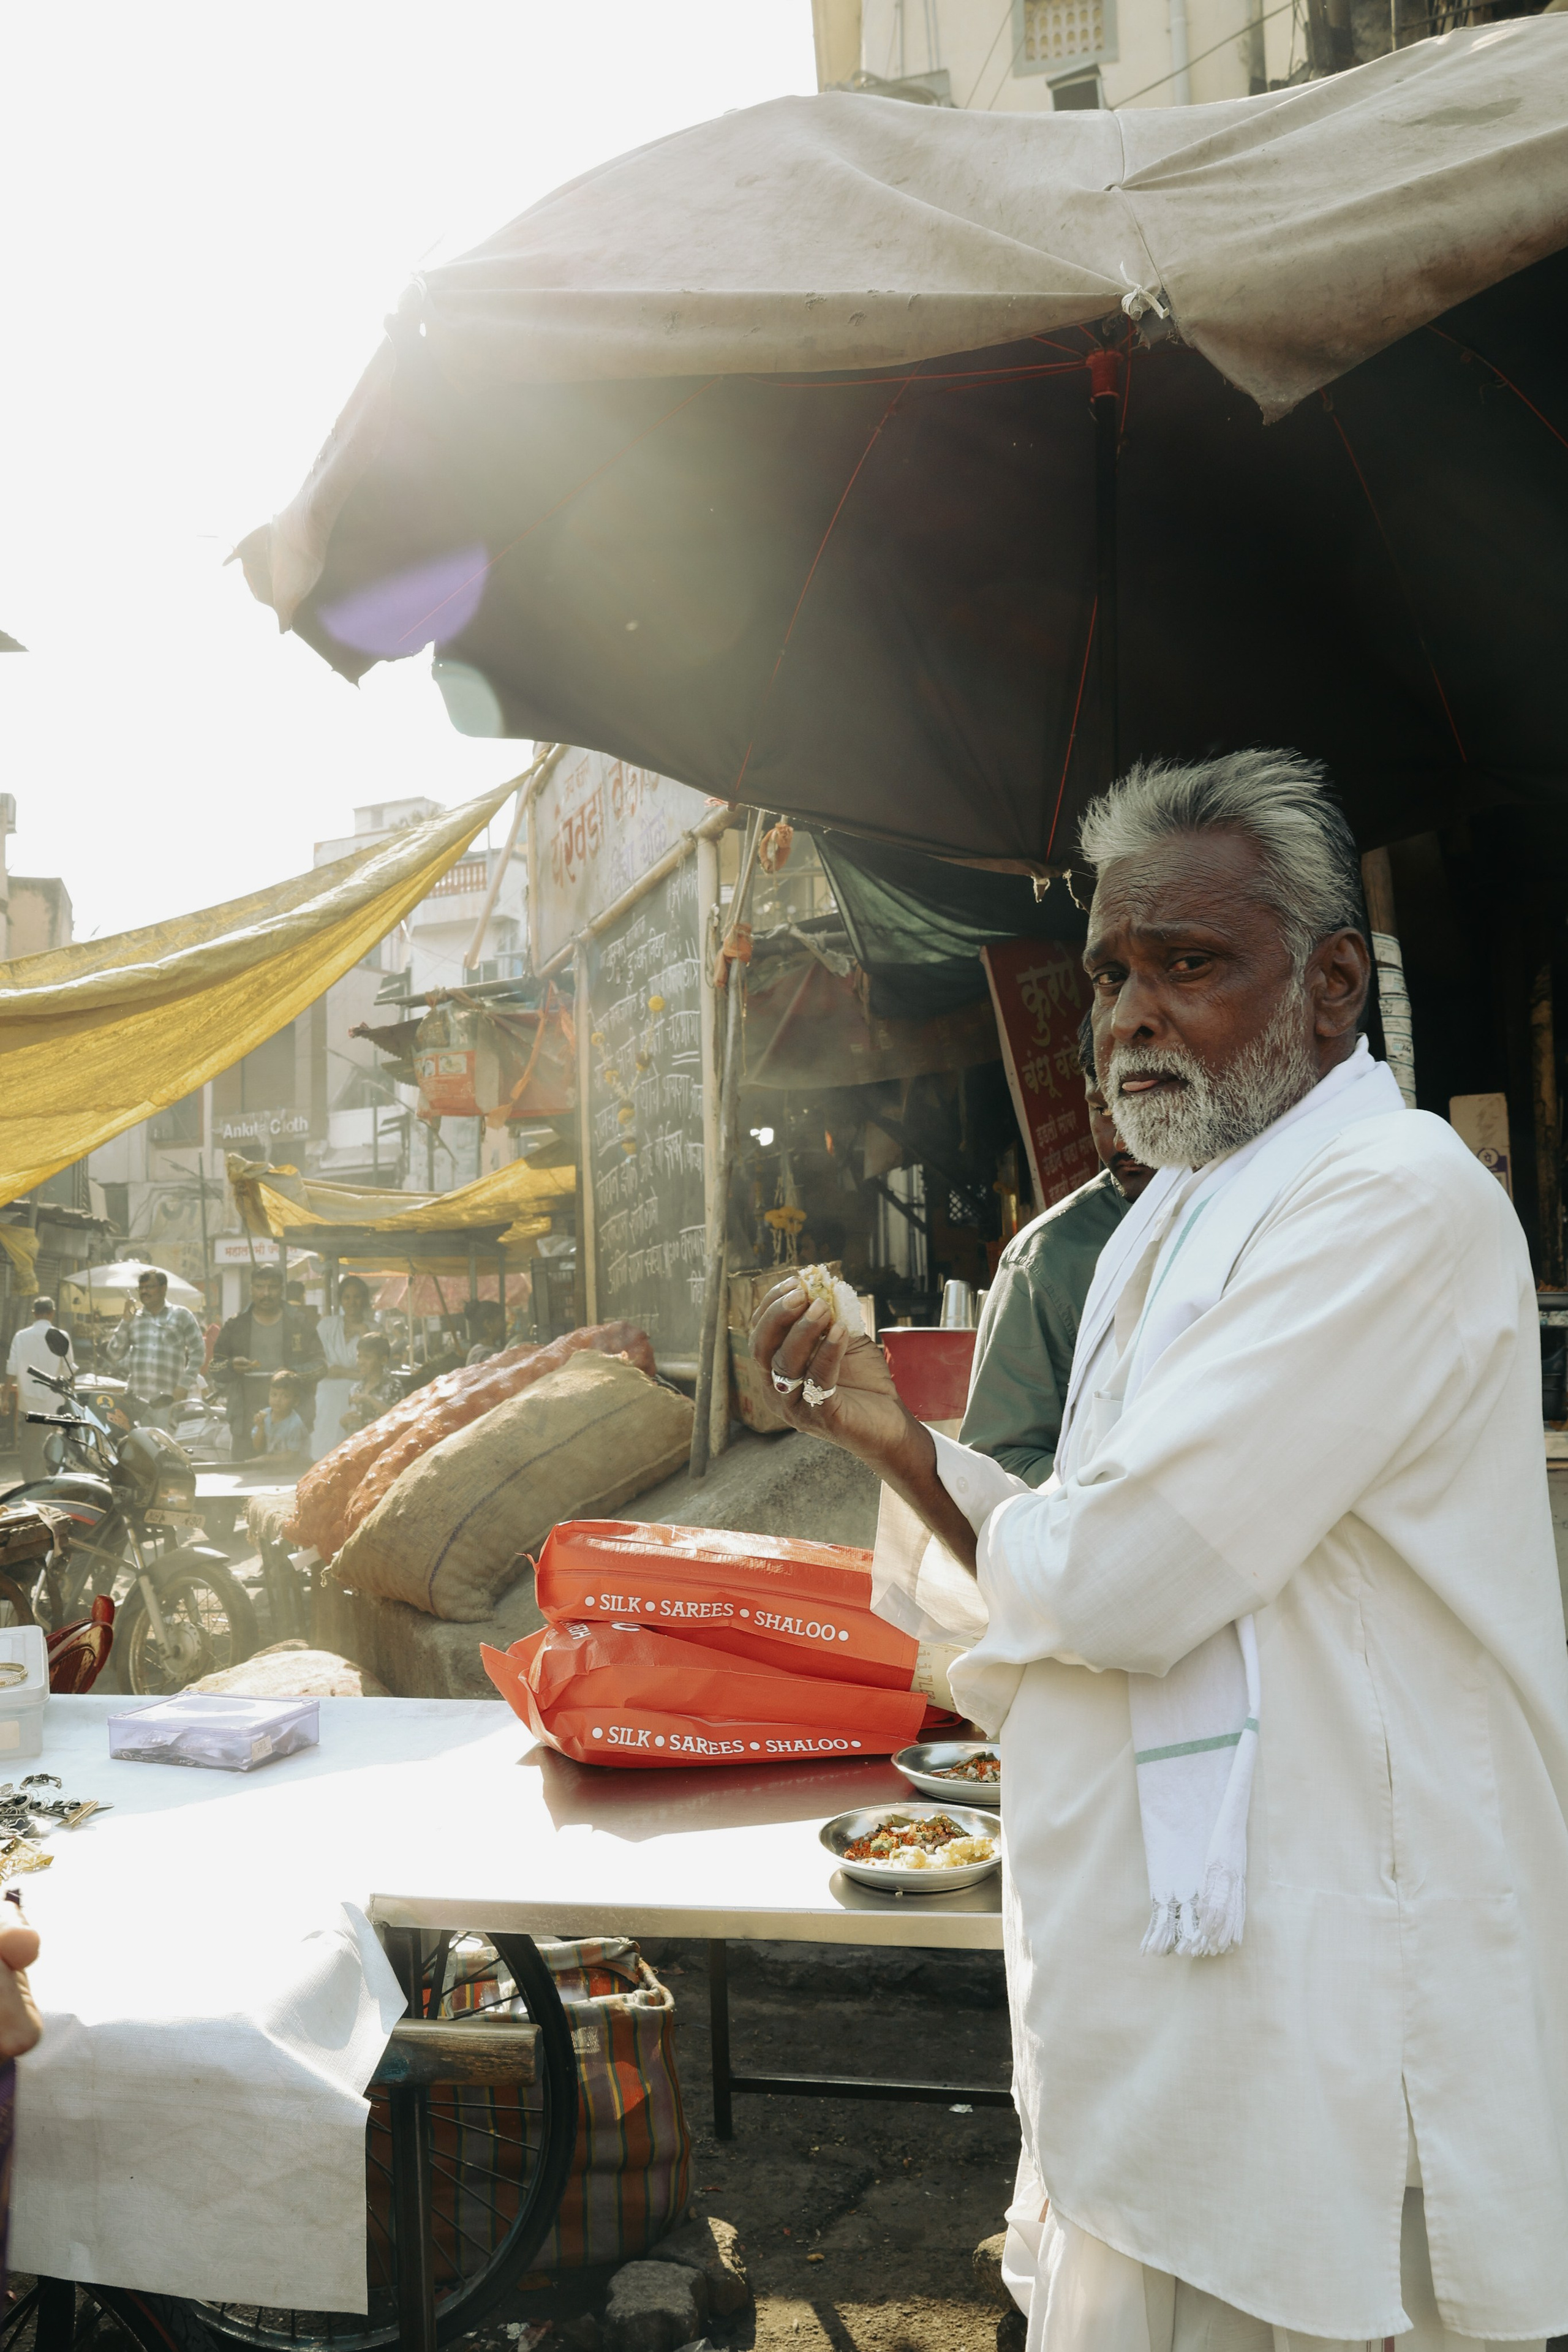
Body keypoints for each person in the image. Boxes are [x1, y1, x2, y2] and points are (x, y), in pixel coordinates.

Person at [753, 749, 1568, 2352]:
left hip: (1335, 1987)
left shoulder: (1391, 1199)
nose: (1130, 1012)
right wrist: (890, 1443)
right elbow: (1096, 1547)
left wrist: (940, 1473)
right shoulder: (1162, 1223)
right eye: (1112, 970)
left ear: (1333, 987)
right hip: (1180, 1991)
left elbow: (1125, 1579)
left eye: (1189, 964)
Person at [960, 1013, 1154, 1485]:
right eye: (1102, 1110)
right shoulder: (1046, 1259)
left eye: (1144, 1100)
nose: (1124, 1139)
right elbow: (999, 1460)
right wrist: (1115, 1497)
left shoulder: (1268, 1206)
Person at [210, 1264, 326, 1463]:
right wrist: (231, 1366)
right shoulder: (236, 1324)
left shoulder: (298, 1322)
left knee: (289, 1485)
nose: (266, 1293)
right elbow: (215, 1367)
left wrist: (292, 1374)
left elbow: (321, 1366)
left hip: (292, 1424)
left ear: (281, 1289)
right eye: (260, 1287)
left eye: (272, 1287)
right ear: (251, 1289)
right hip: (246, 1422)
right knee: (244, 1478)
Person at [104, 1268, 203, 1432]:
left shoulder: (181, 1315)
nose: (144, 1292)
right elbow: (114, 1354)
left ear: (163, 1288)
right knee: (138, 1452)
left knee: (165, 1451)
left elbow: (198, 1352)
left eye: (149, 1287)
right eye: (141, 1288)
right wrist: (125, 1321)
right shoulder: (134, 1318)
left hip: (168, 1402)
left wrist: (184, 1385)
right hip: (136, 1402)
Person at [6, 1299, 75, 1482]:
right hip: (54, 1404)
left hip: (28, 1405)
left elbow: (11, 1370)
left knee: (30, 1447)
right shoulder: (62, 1335)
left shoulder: (21, 1336)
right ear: (52, 1313)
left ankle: (31, 1483)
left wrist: (4, 1398)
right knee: (53, 1446)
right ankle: (51, 1483)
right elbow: (69, 1373)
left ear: (34, 1313)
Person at [312, 1276, 379, 1461]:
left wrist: (363, 1331)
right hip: (328, 1392)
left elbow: (372, 1366)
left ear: (365, 1300)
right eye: (347, 1297)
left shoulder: (374, 1329)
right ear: (341, 1300)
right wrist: (356, 1374)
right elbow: (324, 1367)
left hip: (361, 1394)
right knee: (325, 1450)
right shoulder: (326, 1325)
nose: (352, 1303)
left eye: (357, 1297)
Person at [341, 1333, 401, 1434]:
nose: (361, 1362)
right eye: (359, 1357)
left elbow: (397, 1418)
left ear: (383, 1360)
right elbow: (351, 1427)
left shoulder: (393, 1386)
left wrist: (369, 1399)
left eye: (367, 1357)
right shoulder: (356, 1389)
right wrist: (344, 1421)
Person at [252, 1368, 309, 1457]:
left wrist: (265, 1460)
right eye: (274, 1395)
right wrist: (261, 1429)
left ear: (296, 1401)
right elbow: (257, 1447)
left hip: (297, 1467)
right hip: (274, 1465)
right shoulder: (266, 1415)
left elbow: (291, 1456)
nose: (278, 1400)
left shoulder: (295, 1425)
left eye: (285, 1396)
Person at [464, 1301, 506, 1365]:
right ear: (488, 1324)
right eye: (501, 1320)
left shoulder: (493, 1349)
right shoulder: (482, 1355)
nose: (505, 1324)